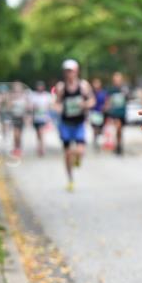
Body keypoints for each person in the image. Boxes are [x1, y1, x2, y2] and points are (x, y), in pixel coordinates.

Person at [53, 60, 95, 192]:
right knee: (67, 154)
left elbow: (92, 100)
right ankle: (70, 180)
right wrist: (58, 108)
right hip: (65, 124)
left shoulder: (83, 86)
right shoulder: (61, 87)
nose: (69, 73)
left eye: (71, 70)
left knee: (80, 151)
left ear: (76, 71)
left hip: (79, 123)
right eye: (66, 71)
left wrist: (85, 105)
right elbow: (56, 103)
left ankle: (77, 158)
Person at [104, 71, 130, 155]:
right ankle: (117, 146)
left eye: (119, 79)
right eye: (115, 79)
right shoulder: (111, 90)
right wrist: (106, 108)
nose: (117, 81)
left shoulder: (124, 89)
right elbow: (108, 100)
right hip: (114, 113)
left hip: (122, 113)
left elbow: (128, 99)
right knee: (117, 127)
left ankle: (118, 144)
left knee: (120, 130)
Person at [30, 81, 53, 157]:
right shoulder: (33, 95)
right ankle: (39, 145)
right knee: (38, 133)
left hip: (44, 118)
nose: (39, 88)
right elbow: (30, 106)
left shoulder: (47, 96)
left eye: (41, 86)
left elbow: (50, 106)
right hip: (36, 118)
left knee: (42, 132)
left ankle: (42, 149)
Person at [7, 81, 29, 157]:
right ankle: (16, 148)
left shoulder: (24, 96)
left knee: (19, 134)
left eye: (18, 87)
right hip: (14, 117)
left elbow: (27, 108)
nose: (17, 89)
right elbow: (8, 107)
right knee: (15, 134)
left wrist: (27, 118)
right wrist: (12, 101)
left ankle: (19, 148)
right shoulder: (11, 96)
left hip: (21, 117)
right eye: (15, 87)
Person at [90, 77, 107, 150]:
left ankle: (98, 138)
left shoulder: (103, 93)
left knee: (100, 129)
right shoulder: (91, 93)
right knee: (94, 127)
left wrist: (105, 107)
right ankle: (95, 140)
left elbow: (107, 102)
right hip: (94, 113)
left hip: (101, 113)